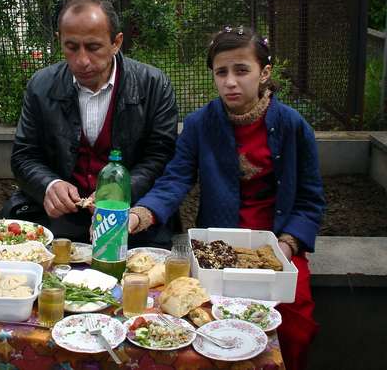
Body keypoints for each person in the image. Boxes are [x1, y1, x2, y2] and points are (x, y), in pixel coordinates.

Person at [130, 26, 324, 370]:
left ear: (264, 73)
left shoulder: (294, 126)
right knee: (207, 324)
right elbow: (174, 180)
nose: (230, 81)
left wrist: (287, 246)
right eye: (222, 72)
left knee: (294, 325)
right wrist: (140, 214)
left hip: (277, 249)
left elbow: (309, 200)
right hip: (215, 248)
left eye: (241, 70)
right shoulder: (200, 124)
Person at [4, 0, 179, 248]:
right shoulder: (40, 85)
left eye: (93, 47)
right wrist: (49, 185)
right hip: (59, 218)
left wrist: (120, 190)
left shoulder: (153, 85)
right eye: (71, 47)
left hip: (130, 214)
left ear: (116, 42)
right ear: (59, 40)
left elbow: (160, 157)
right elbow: (24, 156)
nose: (82, 60)